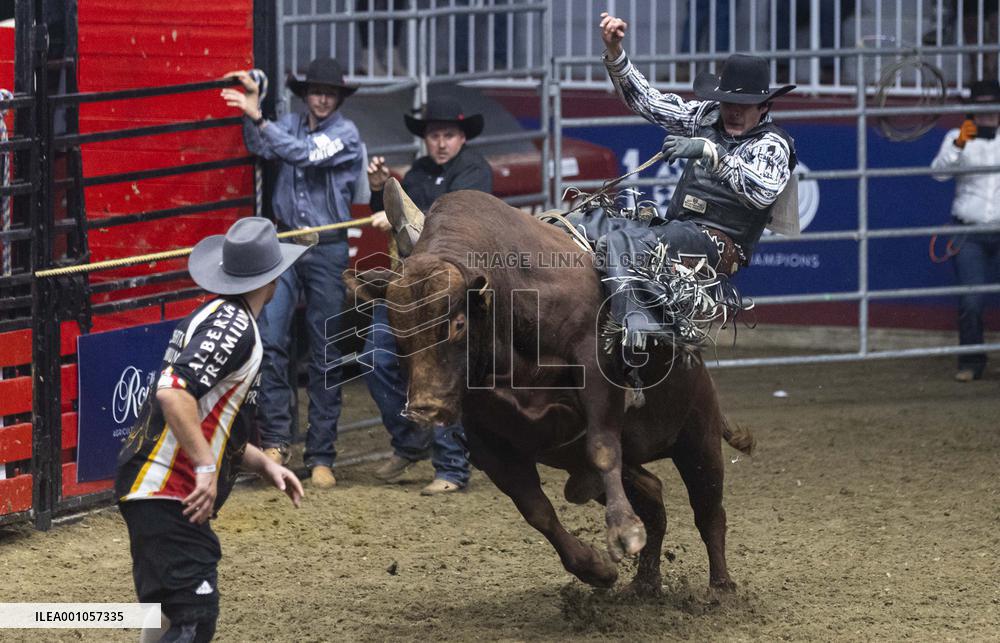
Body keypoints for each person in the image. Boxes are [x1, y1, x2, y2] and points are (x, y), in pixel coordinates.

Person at [116, 217, 306, 642]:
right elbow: (174, 392)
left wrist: (260, 464)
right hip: (169, 488)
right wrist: (205, 468)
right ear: (272, 281)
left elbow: (205, 416)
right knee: (192, 617)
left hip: (156, 488)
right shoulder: (236, 326)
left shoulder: (218, 316)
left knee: (167, 617)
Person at [595, 12, 797, 358]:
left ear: (764, 107)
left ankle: (638, 330)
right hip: (678, 229)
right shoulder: (705, 116)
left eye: (744, 105)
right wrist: (616, 53)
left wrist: (709, 151)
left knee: (621, 242)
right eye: (728, 102)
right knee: (593, 226)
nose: (733, 111)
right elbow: (649, 102)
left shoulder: (773, 145)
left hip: (721, 245)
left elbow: (761, 190)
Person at [222, 58, 365, 489]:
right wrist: (254, 108)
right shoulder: (285, 124)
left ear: (338, 98)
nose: (322, 98)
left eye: (329, 92)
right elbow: (260, 146)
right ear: (306, 94)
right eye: (315, 91)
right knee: (271, 341)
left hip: (325, 248)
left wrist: (258, 116)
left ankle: (322, 454)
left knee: (325, 350)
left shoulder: (345, 134)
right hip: (285, 246)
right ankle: (278, 441)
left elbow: (298, 153)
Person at [362, 96, 492, 495]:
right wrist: (380, 192)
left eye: (448, 135)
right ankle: (409, 439)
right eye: (435, 135)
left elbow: (449, 222)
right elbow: (394, 216)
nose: (440, 142)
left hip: (451, 291)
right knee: (376, 358)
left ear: (461, 138)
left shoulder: (474, 171)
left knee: (442, 365)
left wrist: (402, 209)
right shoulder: (417, 172)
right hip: (413, 287)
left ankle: (451, 466)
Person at [931, 80, 1000, 382]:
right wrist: (960, 143)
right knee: (970, 300)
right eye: (981, 104)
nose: (986, 111)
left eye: (991, 104)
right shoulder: (956, 137)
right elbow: (939, 173)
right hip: (969, 231)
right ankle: (971, 362)